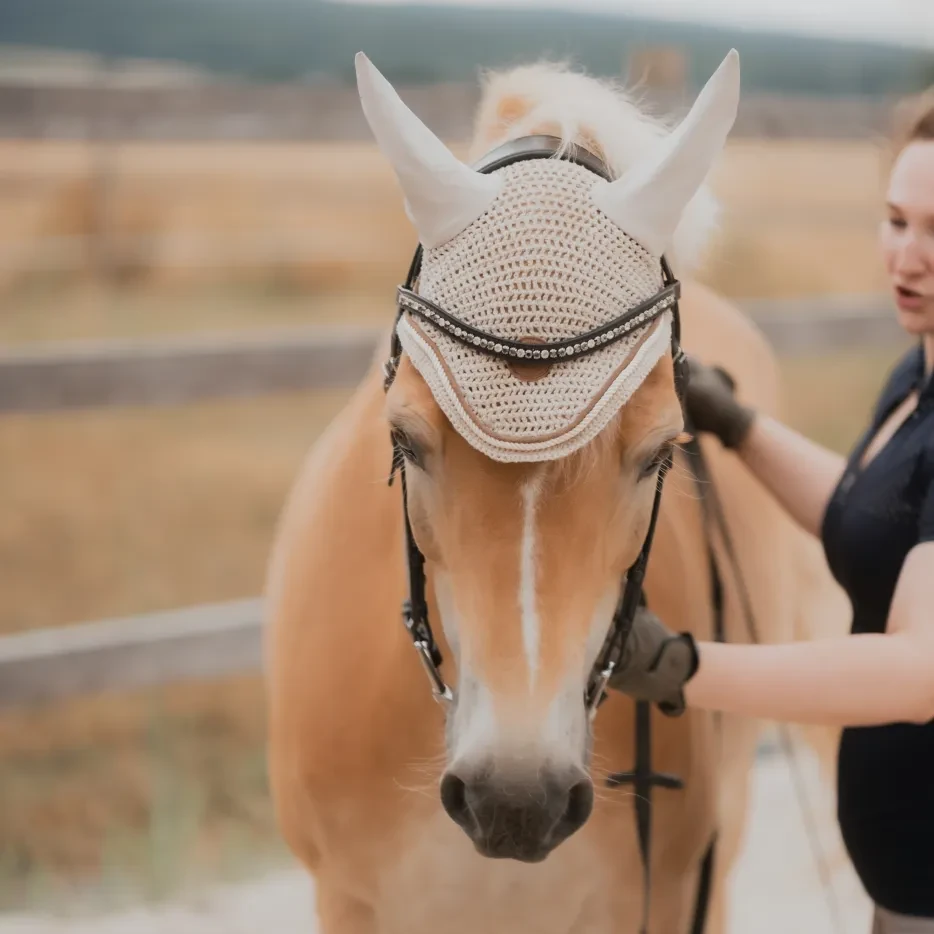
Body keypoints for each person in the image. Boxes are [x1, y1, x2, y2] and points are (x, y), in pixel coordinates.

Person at [609, 89, 934, 932]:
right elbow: (881, 515)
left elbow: (918, 670)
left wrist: (684, 667)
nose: (908, 257)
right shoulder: (918, 374)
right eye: (897, 220)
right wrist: (739, 427)